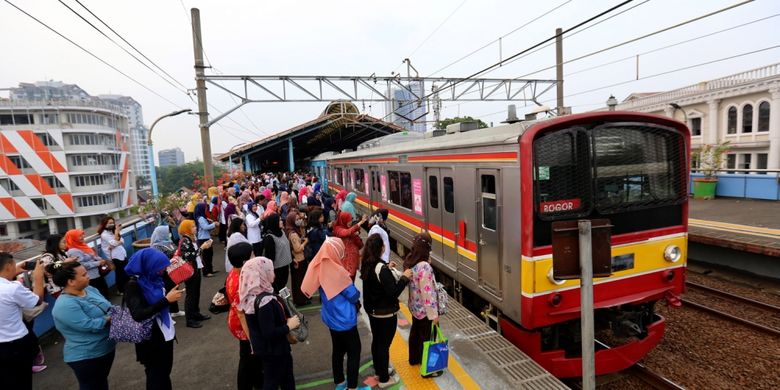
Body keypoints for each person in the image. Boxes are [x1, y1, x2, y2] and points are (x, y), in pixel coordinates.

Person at [300, 238, 366, 390]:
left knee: (338, 350)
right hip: (345, 320)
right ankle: (352, 387)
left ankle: (340, 382)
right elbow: (353, 295)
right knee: (354, 351)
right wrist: (351, 284)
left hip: (331, 318)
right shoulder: (336, 271)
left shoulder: (321, 266)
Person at [49, 261, 115, 390]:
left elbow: (108, 306)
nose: (88, 276)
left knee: (101, 383)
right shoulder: (65, 305)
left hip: (104, 350)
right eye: (84, 275)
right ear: (71, 281)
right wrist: (110, 319)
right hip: (87, 357)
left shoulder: (89, 289)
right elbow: (88, 325)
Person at [125, 248, 184, 390]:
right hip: (151, 340)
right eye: (160, 267)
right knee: (156, 376)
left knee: (164, 373)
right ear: (149, 266)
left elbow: (170, 287)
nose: (163, 270)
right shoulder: (134, 285)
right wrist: (166, 301)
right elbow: (138, 314)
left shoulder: (156, 279)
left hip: (165, 335)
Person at [240, 257, 299, 390]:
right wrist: (289, 326)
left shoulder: (251, 294)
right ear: (261, 274)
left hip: (264, 349)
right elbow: (269, 332)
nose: (273, 273)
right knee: (277, 381)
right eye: (269, 270)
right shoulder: (265, 301)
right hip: (275, 350)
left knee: (276, 378)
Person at [360, 235, 411, 387]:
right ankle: (383, 379)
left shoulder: (367, 263)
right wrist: (405, 277)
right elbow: (393, 292)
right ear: (380, 248)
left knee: (377, 342)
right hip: (385, 313)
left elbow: (376, 281)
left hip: (373, 311)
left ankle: (379, 370)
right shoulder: (380, 268)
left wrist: (387, 268)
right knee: (384, 345)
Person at [0, 252, 44, 389]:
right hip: (16, 344)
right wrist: (38, 278)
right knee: (22, 381)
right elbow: (37, 301)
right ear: (8, 266)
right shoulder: (12, 288)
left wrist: (15, 268)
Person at [226, 242, 264, 390]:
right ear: (244, 262)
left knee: (248, 359)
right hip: (244, 326)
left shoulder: (236, 272)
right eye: (252, 255)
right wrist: (253, 339)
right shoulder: (239, 283)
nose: (255, 257)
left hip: (238, 321)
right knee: (250, 358)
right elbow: (242, 315)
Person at [403, 232, 441, 374]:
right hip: (425, 311)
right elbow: (427, 293)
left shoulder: (410, 260)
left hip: (414, 307)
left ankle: (413, 359)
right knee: (427, 339)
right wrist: (433, 315)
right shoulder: (424, 267)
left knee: (415, 333)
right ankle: (426, 368)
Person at [178, 219, 213, 328]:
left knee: (196, 293)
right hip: (190, 271)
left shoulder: (191, 238)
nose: (195, 228)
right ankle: (190, 319)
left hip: (196, 268)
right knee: (191, 294)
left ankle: (195, 313)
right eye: (193, 227)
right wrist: (202, 247)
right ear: (187, 229)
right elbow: (190, 256)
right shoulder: (185, 240)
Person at [150, 226, 185, 318]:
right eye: (166, 232)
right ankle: (168, 313)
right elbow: (159, 260)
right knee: (168, 290)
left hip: (172, 269)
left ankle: (175, 310)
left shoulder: (168, 242)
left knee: (174, 288)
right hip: (164, 272)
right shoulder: (156, 246)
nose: (169, 233)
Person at [65, 229, 111, 299]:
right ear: (73, 238)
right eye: (79, 236)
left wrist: (101, 260)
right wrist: (98, 263)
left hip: (96, 274)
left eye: (82, 235)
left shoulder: (83, 246)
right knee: (100, 295)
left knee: (104, 292)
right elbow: (81, 265)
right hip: (90, 277)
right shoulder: (73, 251)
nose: (82, 237)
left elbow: (93, 255)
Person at [261, 213, 292, 293]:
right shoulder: (270, 238)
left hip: (285, 267)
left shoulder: (282, 232)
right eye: (280, 220)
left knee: (283, 287)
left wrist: (292, 258)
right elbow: (269, 257)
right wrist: (271, 272)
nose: (282, 221)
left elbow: (286, 247)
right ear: (274, 222)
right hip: (277, 270)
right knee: (278, 289)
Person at [332, 212, 367, 281]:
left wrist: (355, 235)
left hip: (353, 261)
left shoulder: (350, 229)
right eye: (349, 220)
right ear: (343, 220)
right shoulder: (338, 229)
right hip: (345, 262)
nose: (350, 222)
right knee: (346, 282)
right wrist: (360, 223)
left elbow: (360, 245)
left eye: (351, 220)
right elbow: (345, 232)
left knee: (351, 281)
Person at [98, 216, 128, 295]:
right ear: (104, 224)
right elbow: (115, 242)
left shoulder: (113, 231)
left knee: (125, 272)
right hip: (115, 256)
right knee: (120, 274)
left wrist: (115, 243)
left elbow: (122, 241)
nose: (112, 224)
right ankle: (121, 290)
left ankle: (126, 288)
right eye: (109, 223)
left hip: (122, 254)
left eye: (112, 223)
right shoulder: (104, 234)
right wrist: (117, 233)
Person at [40, 234, 77, 298]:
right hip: (57, 288)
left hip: (65, 285)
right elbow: (49, 269)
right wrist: (64, 262)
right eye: (63, 242)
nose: (66, 244)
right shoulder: (47, 256)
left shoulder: (61, 254)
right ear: (56, 244)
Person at [285, 212, 309, 306]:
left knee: (299, 280)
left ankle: (301, 298)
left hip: (297, 259)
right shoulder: (293, 234)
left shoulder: (294, 230)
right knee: (299, 281)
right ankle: (300, 300)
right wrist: (305, 242)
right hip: (299, 259)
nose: (299, 221)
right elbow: (298, 249)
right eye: (297, 219)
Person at [194, 203, 218, 277]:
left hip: (205, 237)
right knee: (206, 256)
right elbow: (205, 227)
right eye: (205, 208)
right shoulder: (201, 218)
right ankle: (206, 272)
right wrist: (214, 224)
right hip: (203, 238)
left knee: (209, 255)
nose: (206, 210)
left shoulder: (202, 217)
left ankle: (210, 270)